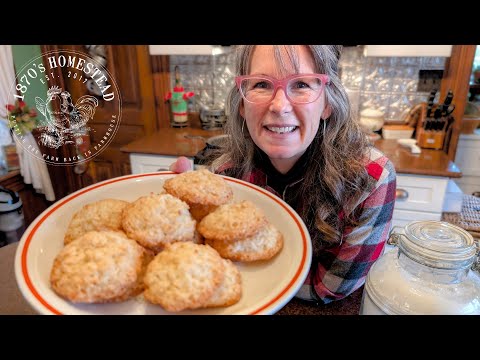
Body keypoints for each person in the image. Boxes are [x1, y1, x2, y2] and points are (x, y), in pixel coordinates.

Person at [171, 45, 396, 304]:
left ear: (327, 103)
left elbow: (327, 288)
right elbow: (205, 266)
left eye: (301, 84)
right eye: (261, 85)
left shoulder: (369, 179)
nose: (279, 106)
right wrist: (180, 227)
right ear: (242, 103)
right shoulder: (224, 177)